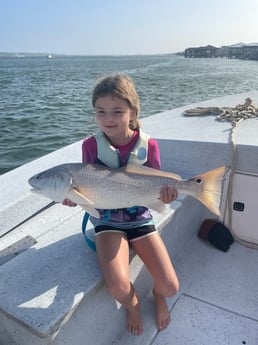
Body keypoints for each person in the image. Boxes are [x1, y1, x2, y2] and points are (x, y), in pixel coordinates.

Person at [64, 74, 179, 336]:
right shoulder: (91, 146)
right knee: (117, 287)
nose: (108, 119)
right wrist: (75, 198)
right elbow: (87, 188)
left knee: (170, 286)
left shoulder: (149, 145)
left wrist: (167, 194)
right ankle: (134, 305)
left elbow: (156, 186)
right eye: (100, 112)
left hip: (140, 219)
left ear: (133, 112)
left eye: (117, 111)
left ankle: (158, 297)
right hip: (107, 222)